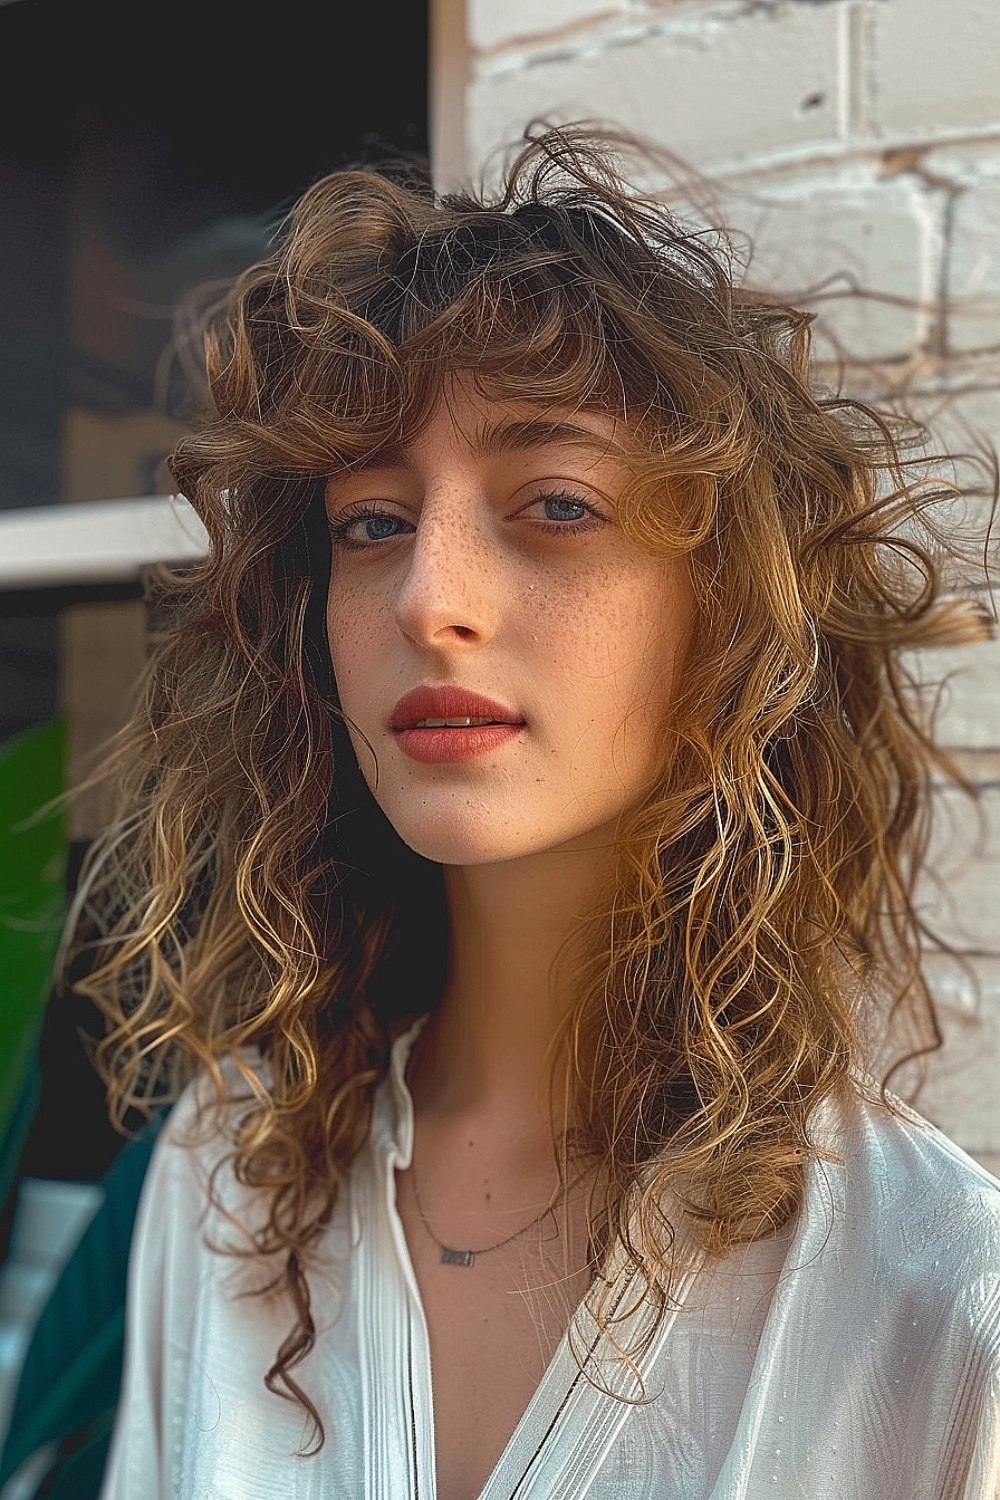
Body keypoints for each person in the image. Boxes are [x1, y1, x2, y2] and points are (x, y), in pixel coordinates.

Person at [74, 126, 1000, 1499]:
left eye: (555, 503)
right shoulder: (225, 1180)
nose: (426, 598)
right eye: (373, 524)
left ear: (731, 613)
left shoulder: (935, 1302)